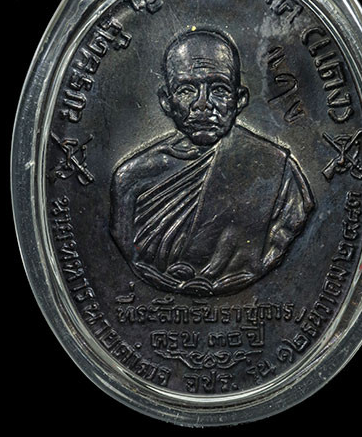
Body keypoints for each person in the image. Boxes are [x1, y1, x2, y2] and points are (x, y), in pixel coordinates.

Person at [110, 29, 314, 296]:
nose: (203, 104)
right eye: (187, 89)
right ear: (166, 101)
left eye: (218, 89)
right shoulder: (130, 179)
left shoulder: (277, 169)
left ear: (239, 99)